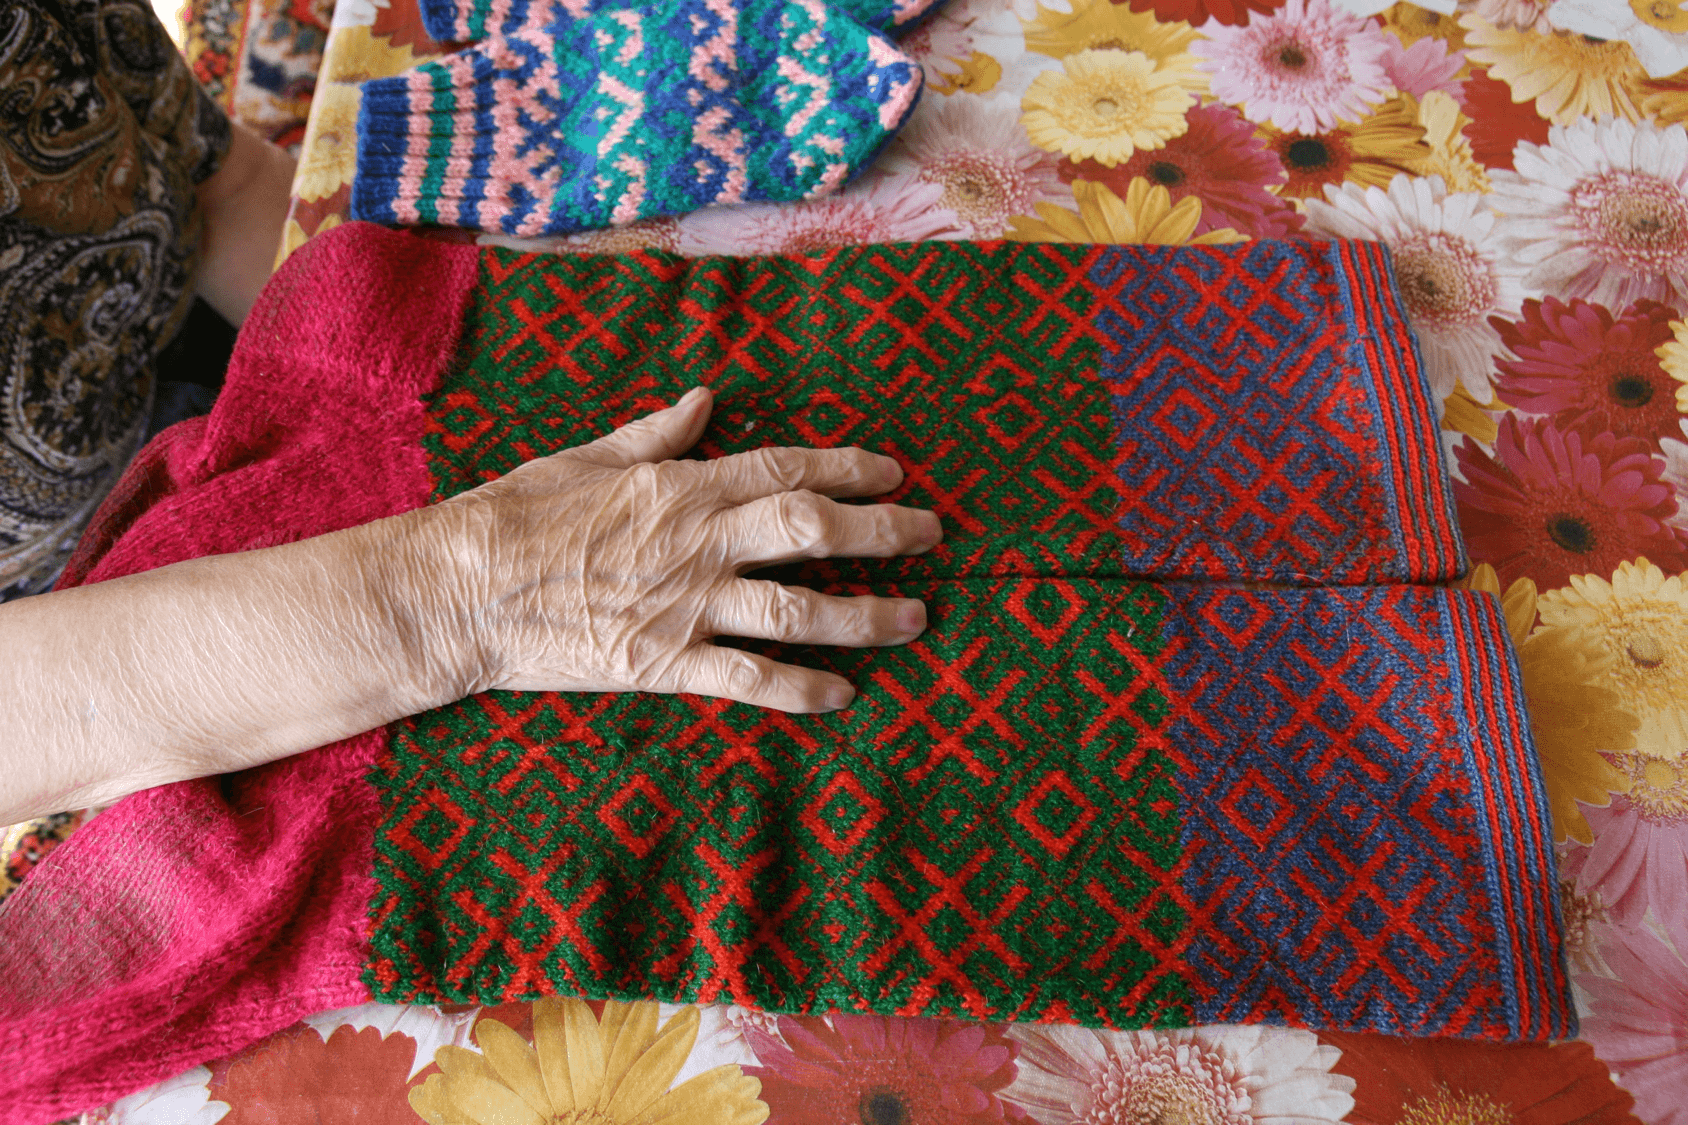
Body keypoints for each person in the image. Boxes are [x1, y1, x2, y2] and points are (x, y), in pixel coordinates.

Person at [0, 2, 940, 826]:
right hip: (72, 647)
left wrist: (413, 287)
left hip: (185, 373)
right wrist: (460, 588)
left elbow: (219, 190)